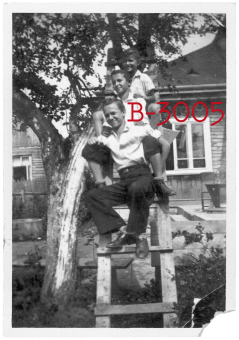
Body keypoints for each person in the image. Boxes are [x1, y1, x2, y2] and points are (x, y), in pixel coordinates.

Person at [84, 98, 169, 259]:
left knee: (136, 188)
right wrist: (92, 143)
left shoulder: (138, 128)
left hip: (143, 176)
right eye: (107, 115)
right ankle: (126, 231)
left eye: (114, 113)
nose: (110, 118)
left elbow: (164, 145)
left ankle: (137, 235)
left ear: (123, 112)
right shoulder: (107, 137)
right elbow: (91, 153)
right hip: (124, 180)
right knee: (92, 196)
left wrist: (158, 171)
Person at [83, 69, 176, 197]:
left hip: (138, 138)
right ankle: (101, 185)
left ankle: (157, 179)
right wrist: (102, 135)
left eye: (119, 80)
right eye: (114, 82)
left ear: (129, 82)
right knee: (94, 146)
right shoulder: (114, 105)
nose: (116, 84)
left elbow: (144, 122)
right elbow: (108, 121)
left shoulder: (137, 100)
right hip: (119, 141)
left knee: (156, 143)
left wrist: (150, 131)